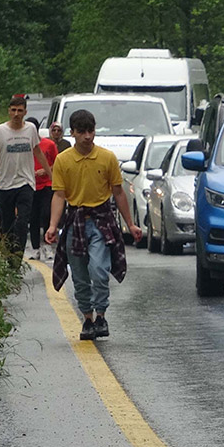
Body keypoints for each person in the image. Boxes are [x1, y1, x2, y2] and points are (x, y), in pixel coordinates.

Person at [46, 109, 143, 340]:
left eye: (91, 131)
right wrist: (52, 226)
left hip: (101, 221)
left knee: (99, 270)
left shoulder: (107, 157)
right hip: (75, 221)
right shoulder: (63, 160)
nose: (87, 137)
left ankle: (101, 315)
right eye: (82, 132)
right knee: (79, 275)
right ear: (73, 133)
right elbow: (59, 195)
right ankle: (88, 319)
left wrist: (130, 224)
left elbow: (118, 192)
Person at [0, 96, 52, 261]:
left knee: (22, 221)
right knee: (7, 224)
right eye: (13, 110)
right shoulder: (0, 131)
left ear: (25, 112)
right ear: (9, 111)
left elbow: (38, 152)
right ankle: (9, 256)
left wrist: (52, 176)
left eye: (20, 111)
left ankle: (17, 258)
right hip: (6, 184)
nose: (16, 114)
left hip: (26, 183)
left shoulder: (30, 129)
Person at [27, 117, 59, 260]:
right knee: (33, 217)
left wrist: (45, 170)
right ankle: (35, 248)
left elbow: (57, 163)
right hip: (30, 184)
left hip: (47, 184)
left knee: (46, 214)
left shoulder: (49, 144)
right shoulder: (23, 146)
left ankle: (48, 245)